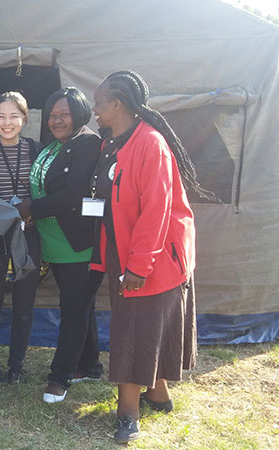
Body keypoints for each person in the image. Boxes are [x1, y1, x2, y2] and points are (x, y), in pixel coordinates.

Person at [91, 70, 202, 444]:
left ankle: (128, 414)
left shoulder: (149, 144)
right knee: (147, 326)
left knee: (134, 331)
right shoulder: (115, 142)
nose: (94, 109)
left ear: (117, 104)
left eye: (98, 102)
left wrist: (139, 265)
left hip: (152, 258)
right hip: (126, 251)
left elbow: (156, 209)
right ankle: (158, 394)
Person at [15, 87, 104, 403]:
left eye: (64, 114)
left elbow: (74, 195)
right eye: (52, 115)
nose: (56, 120)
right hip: (54, 239)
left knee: (74, 309)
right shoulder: (54, 145)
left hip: (76, 243)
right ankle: (90, 365)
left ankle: (60, 377)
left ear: (79, 113)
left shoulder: (88, 144)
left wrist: (30, 208)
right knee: (82, 305)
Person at [0, 92, 42, 384]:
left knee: (24, 305)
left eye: (14, 116)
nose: (7, 123)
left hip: (28, 234)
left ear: (24, 119)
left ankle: (17, 366)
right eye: (1, 116)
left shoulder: (36, 150)